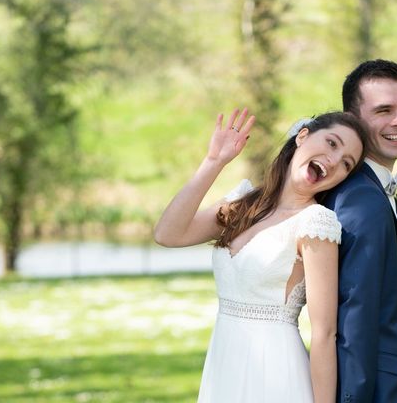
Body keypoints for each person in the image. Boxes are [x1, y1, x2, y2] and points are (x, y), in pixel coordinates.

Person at [154, 108, 367, 403]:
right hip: (224, 364)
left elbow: (324, 333)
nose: (333, 162)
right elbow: (168, 234)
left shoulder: (315, 223)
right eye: (332, 143)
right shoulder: (243, 205)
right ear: (303, 137)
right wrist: (214, 162)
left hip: (276, 372)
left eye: (346, 163)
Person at [323, 59, 397, 402]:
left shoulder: (369, 189)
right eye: (384, 110)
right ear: (352, 121)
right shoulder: (361, 201)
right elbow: (354, 320)